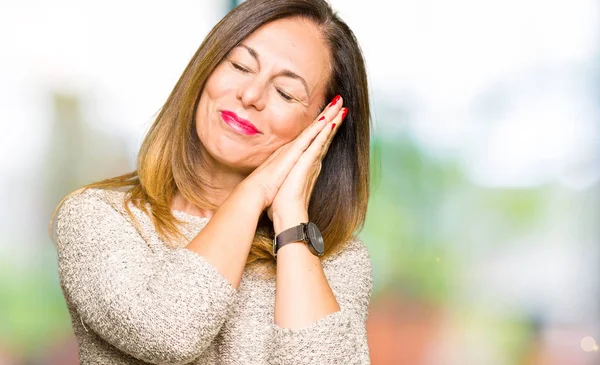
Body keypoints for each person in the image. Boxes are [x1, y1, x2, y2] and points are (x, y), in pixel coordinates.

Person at [49, 0, 372, 363]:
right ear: (206, 69)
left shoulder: (335, 262)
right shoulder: (98, 218)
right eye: (239, 65)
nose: (250, 96)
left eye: (285, 92)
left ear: (321, 126)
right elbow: (169, 333)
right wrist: (254, 192)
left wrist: (291, 220)